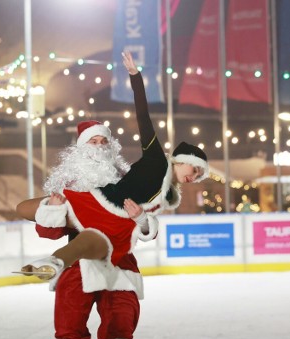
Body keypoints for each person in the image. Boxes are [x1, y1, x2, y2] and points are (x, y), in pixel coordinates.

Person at [16, 119, 157, 339]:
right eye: (92, 143)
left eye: (103, 143)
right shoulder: (68, 190)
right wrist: (53, 209)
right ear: (79, 151)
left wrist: (141, 219)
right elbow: (49, 233)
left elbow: (148, 230)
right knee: (70, 332)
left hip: (118, 267)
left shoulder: (127, 186)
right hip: (78, 265)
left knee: (121, 328)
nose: (98, 148)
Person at [23, 51, 209, 281]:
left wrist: (141, 218)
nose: (195, 176)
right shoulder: (157, 159)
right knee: (24, 208)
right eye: (195, 170)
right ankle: (53, 261)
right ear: (182, 161)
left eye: (199, 176)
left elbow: (149, 229)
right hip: (101, 202)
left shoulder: (168, 195)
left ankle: (54, 262)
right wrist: (136, 77)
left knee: (87, 242)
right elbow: (143, 117)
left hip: (117, 225)